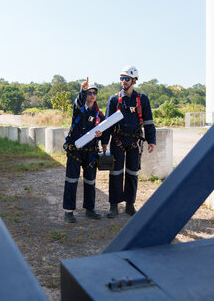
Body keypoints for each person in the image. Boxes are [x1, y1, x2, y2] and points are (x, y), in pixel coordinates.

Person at [101, 65, 156, 217]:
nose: (123, 81)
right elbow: (107, 123)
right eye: (121, 78)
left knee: (132, 173)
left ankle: (130, 205)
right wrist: (104, 142)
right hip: (117, 140)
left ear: (134, 80)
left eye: (126, 79)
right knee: (115, 173)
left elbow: (148, 122)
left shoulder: (142, 99)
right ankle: (114, 206)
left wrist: (151, 140)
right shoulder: (114, 99)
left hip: (134, 142)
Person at [62, 78, 105, 223]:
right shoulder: (78, 109)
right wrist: (82, 90)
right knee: (71, 180)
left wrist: (102, 136)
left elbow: (105, 130)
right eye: (89, 93)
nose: (92, 95)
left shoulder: (99, 115)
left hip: (91, 153)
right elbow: (78, 101)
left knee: (90, 181)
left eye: (94, 93)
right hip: (75, 151)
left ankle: (90, 209)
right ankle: (68, 211)